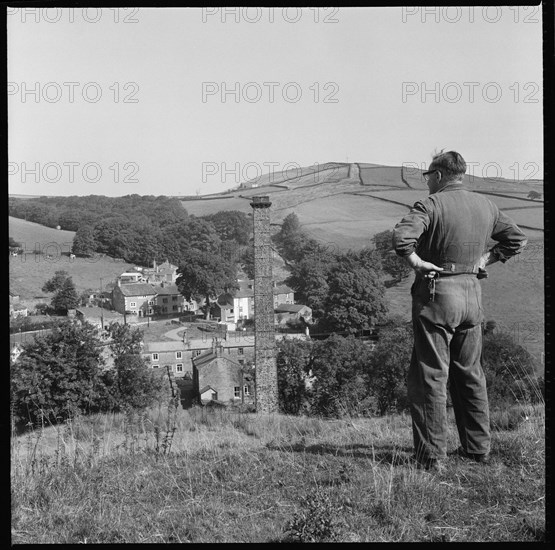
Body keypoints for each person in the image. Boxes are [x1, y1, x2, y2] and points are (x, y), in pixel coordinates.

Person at [392, 150, 527, 471]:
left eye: (428, 176)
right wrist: (483, 261)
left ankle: (431, 456)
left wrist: (417, 262)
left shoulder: (431, 205)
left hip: (438, 296)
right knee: (470, 374)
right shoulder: (486, 205)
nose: (427, 182)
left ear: (438, 175)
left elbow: (401, 238)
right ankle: (478, 449)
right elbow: (516, 240)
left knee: (430, 375)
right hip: (471, 297)